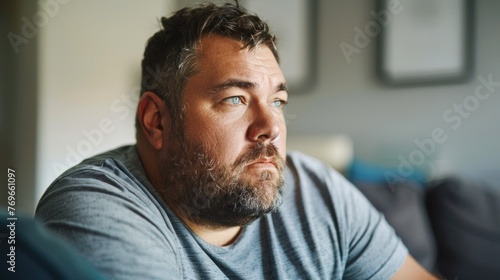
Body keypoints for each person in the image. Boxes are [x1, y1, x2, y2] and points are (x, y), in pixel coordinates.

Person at [36, 2, 437, 279]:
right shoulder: (94, 204)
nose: (271, 127)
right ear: (156, 121)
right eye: (235, 99)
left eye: (277, 101)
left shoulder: (319, 192)